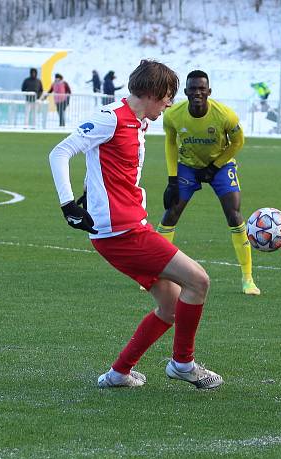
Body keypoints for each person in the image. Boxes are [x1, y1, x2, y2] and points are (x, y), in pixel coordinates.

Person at [48, 59, 223, 390]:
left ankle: (118, 374)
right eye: (168, 96)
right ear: (155, 93)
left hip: (127, 228)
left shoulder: (136, 123)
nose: (170, 103)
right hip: (122, 234)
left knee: (171, 306)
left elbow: (106, 164)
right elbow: (60, 153)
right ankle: (183, 364)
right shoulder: (110, 118)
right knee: (198, 281)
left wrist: (91, 192)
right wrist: (68, 204)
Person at [157, 70, 259, 295]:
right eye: (193, 89)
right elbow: (171, 144)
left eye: (202, 89)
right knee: (171, 212)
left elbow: (238, 141)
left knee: (234, 214)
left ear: (209, 92)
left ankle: (247, 279)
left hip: (220, 166)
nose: (197, 93)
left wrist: (215, 166)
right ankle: (155, 272)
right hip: (188, 166)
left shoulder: (225, 115)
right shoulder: (173, 115)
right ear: (185, 92)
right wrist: (172, 179)